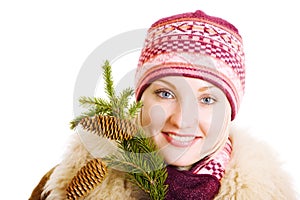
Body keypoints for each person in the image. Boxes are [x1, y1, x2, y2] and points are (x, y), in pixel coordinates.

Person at [30, 10, 297, 200]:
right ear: (140, 99)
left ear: (230, 112)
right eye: (166, 94)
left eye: (207, 100)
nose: (182, 120)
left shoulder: (274, 195)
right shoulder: (67, 188)